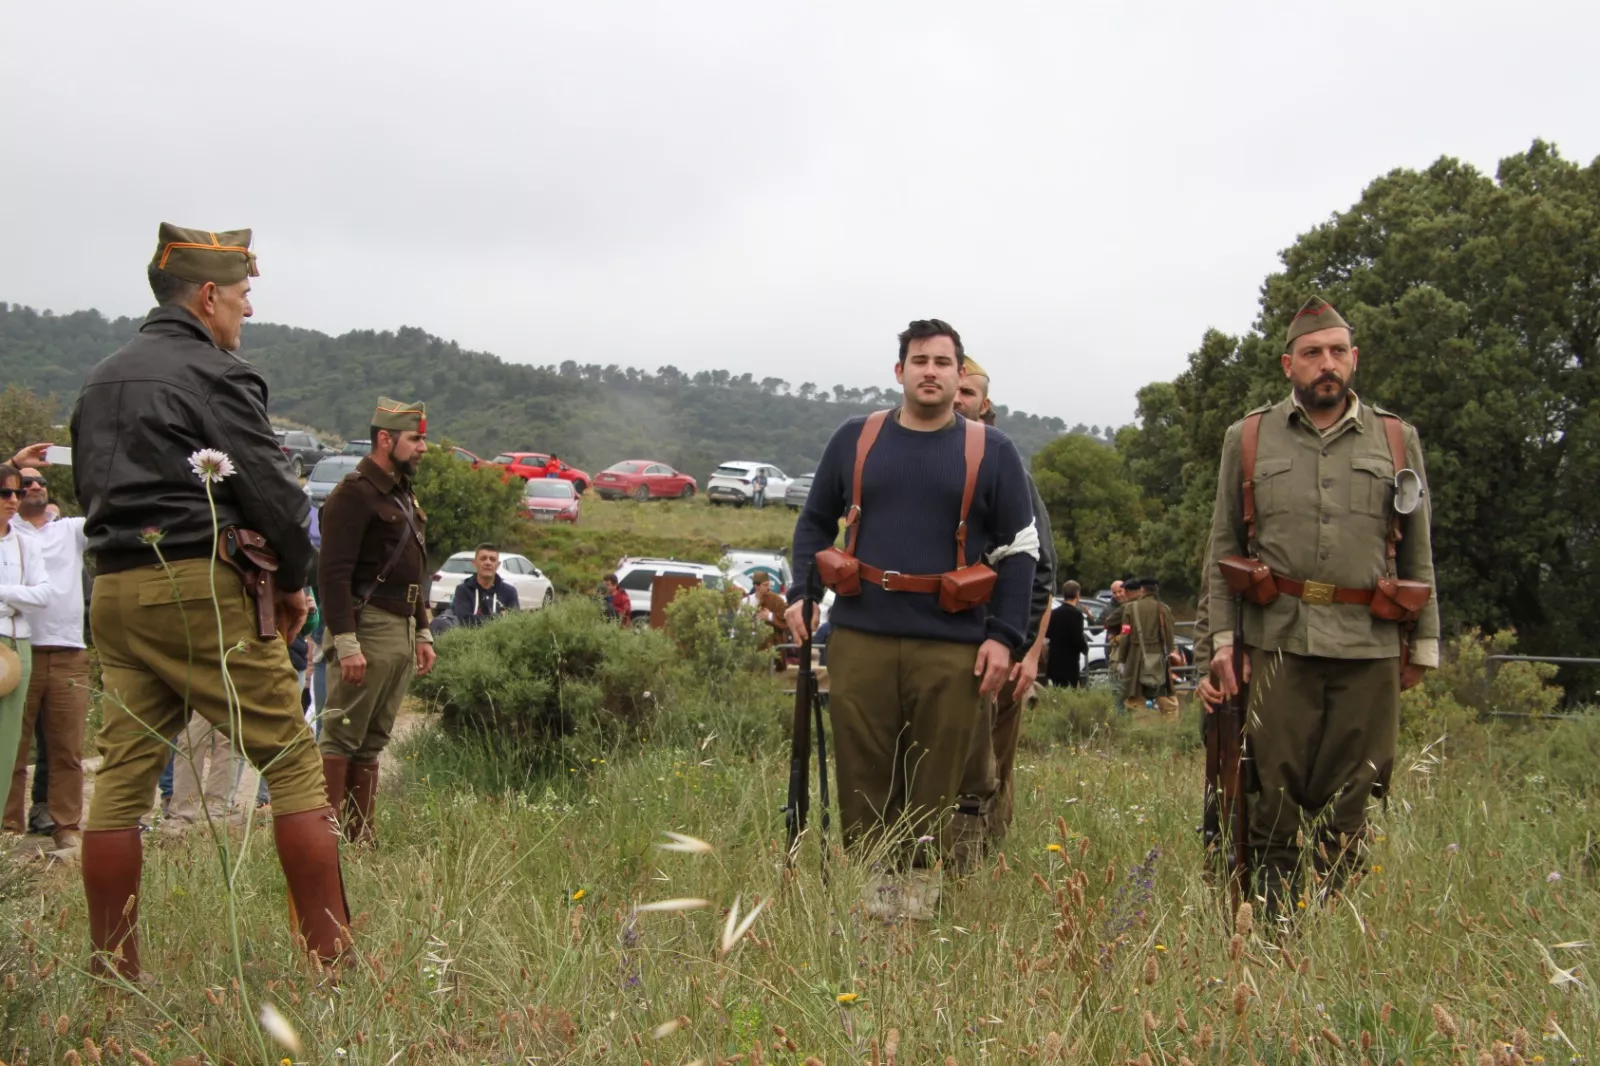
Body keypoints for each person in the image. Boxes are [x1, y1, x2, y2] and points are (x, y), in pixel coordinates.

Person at [69, 224, 350, 979]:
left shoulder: (101, 378)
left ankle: (112, 975)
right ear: (207, 295)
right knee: (291, 761)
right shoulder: (213, 371)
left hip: (115, 590)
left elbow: (86, 490)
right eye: (243, 294)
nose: (247, 311)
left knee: (123, 778)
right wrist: (293, 580)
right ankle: (334, 964)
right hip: (197, 584)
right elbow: (273, 494)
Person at [786, 318, 1037, 917]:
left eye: (943, 362)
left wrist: (1004, 637)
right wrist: (803, 591)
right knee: (862, 779)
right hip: (861, 636)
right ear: (899, 372)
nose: (931, 371)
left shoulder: (992, 451)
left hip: (951, 644)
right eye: (919, 360)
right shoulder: (856, 438)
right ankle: (877, 909)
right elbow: (814, 522)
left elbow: (1020, 549)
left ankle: (918, 913)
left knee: (934, 784)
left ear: (959, 375)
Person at [1206, 295, 1439, 914]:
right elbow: (1223, 547)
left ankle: (1334, 926)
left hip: (1369, 643)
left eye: (1337, 352)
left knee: (1357, 789)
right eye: (1312, 353)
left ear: (1354, 359)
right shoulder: (1249, 437)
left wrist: (1424, 645)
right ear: (1289, 365)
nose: (1325, 364)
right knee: (1270, 789)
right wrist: (1223, 645)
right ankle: (1271, 923)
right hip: (1277, 639)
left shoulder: (1397, 437)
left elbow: (1418, 548)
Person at [319, 396, 436, 846]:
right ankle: (326, 842)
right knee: (341, 737)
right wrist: (346, 642)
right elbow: (332, 574)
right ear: (385, 439)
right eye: (416, 439)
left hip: (401, 627)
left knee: (372, 742)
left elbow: (415, 567)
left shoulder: (402, 493)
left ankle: (359, 839)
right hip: (366, 627)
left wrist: (423, 629)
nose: (424, 448)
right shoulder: (353, 493)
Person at [950, 359, 1057, 848]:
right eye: (954, 389)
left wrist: (1025, 653)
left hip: (998, 643)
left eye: (967, 393)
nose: (957, 400)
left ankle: (982, 874)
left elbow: (1041, 572)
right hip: (941, 642)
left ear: (983, 403)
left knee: (990, 766)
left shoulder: (1007, 469)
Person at [1, 459, 91, 853]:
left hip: (69, 649)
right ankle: (9, 830)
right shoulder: (10, 533)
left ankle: (66, 825)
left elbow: (110, 512)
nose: (33, 488)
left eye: (40, 483)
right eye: (23, 485)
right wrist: (16, 463)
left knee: (67, 748)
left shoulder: (69, 529)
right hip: (17, 650)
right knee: (12, 746)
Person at [0, 465, 52, 816]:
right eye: (5, 493)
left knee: (8, 743)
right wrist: (19, 596)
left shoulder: (25, 542)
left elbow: (45, 593)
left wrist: (4, 593)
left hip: (17, 646)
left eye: (17, 493)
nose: (13, 500)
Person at [1103, 579, 1178, 715]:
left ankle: (1140, 730)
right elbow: (1169, 636)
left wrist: (1122, 659)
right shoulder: (1163, 608)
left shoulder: (1130, 608)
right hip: (1158, 659)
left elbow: (1125, 635)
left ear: (1142, 590)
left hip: (1135, 658)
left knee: (1135, 699)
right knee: (1164, 696)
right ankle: (1170, 727)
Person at [451, 543, 519, 626]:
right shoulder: (463, 590)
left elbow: (514, 622)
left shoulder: (510, 592)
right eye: (483, 558)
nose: (488, 562)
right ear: (474, 563)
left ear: (497, 565)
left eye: (492, 559)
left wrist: (476, 619)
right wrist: (500, 617)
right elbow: (465, 621)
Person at [1045, 580, 1090, 688]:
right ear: (1078, 594)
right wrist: (1084, 648)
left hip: (1054, 659)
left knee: (1057, 691)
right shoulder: (1076, 614)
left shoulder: (1054, 613)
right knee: (1070, 690)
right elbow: (1077, 637)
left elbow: (1048, 633)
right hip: (1070, 661)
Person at [744, 571, 789, 648]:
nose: (768, 587)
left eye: (769, 584)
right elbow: (739, 623)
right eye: (765, 585)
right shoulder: (746, 602)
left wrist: (770, 616)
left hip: (771, 646)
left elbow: (786, 621)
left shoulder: (776, 600)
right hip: (751, 644)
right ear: (756, 586)